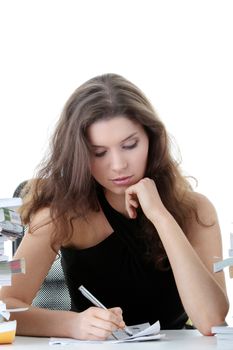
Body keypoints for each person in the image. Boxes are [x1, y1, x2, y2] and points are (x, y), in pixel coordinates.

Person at [0, 73, 229, 340]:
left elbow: (212, 321)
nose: (118, 164)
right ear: (79, 155)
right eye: (99, 152)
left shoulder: (197, 210)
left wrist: (161, 217)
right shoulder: (58, 213)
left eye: (130, 145)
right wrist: (72, 324)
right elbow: (5, 307)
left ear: (152, 140)